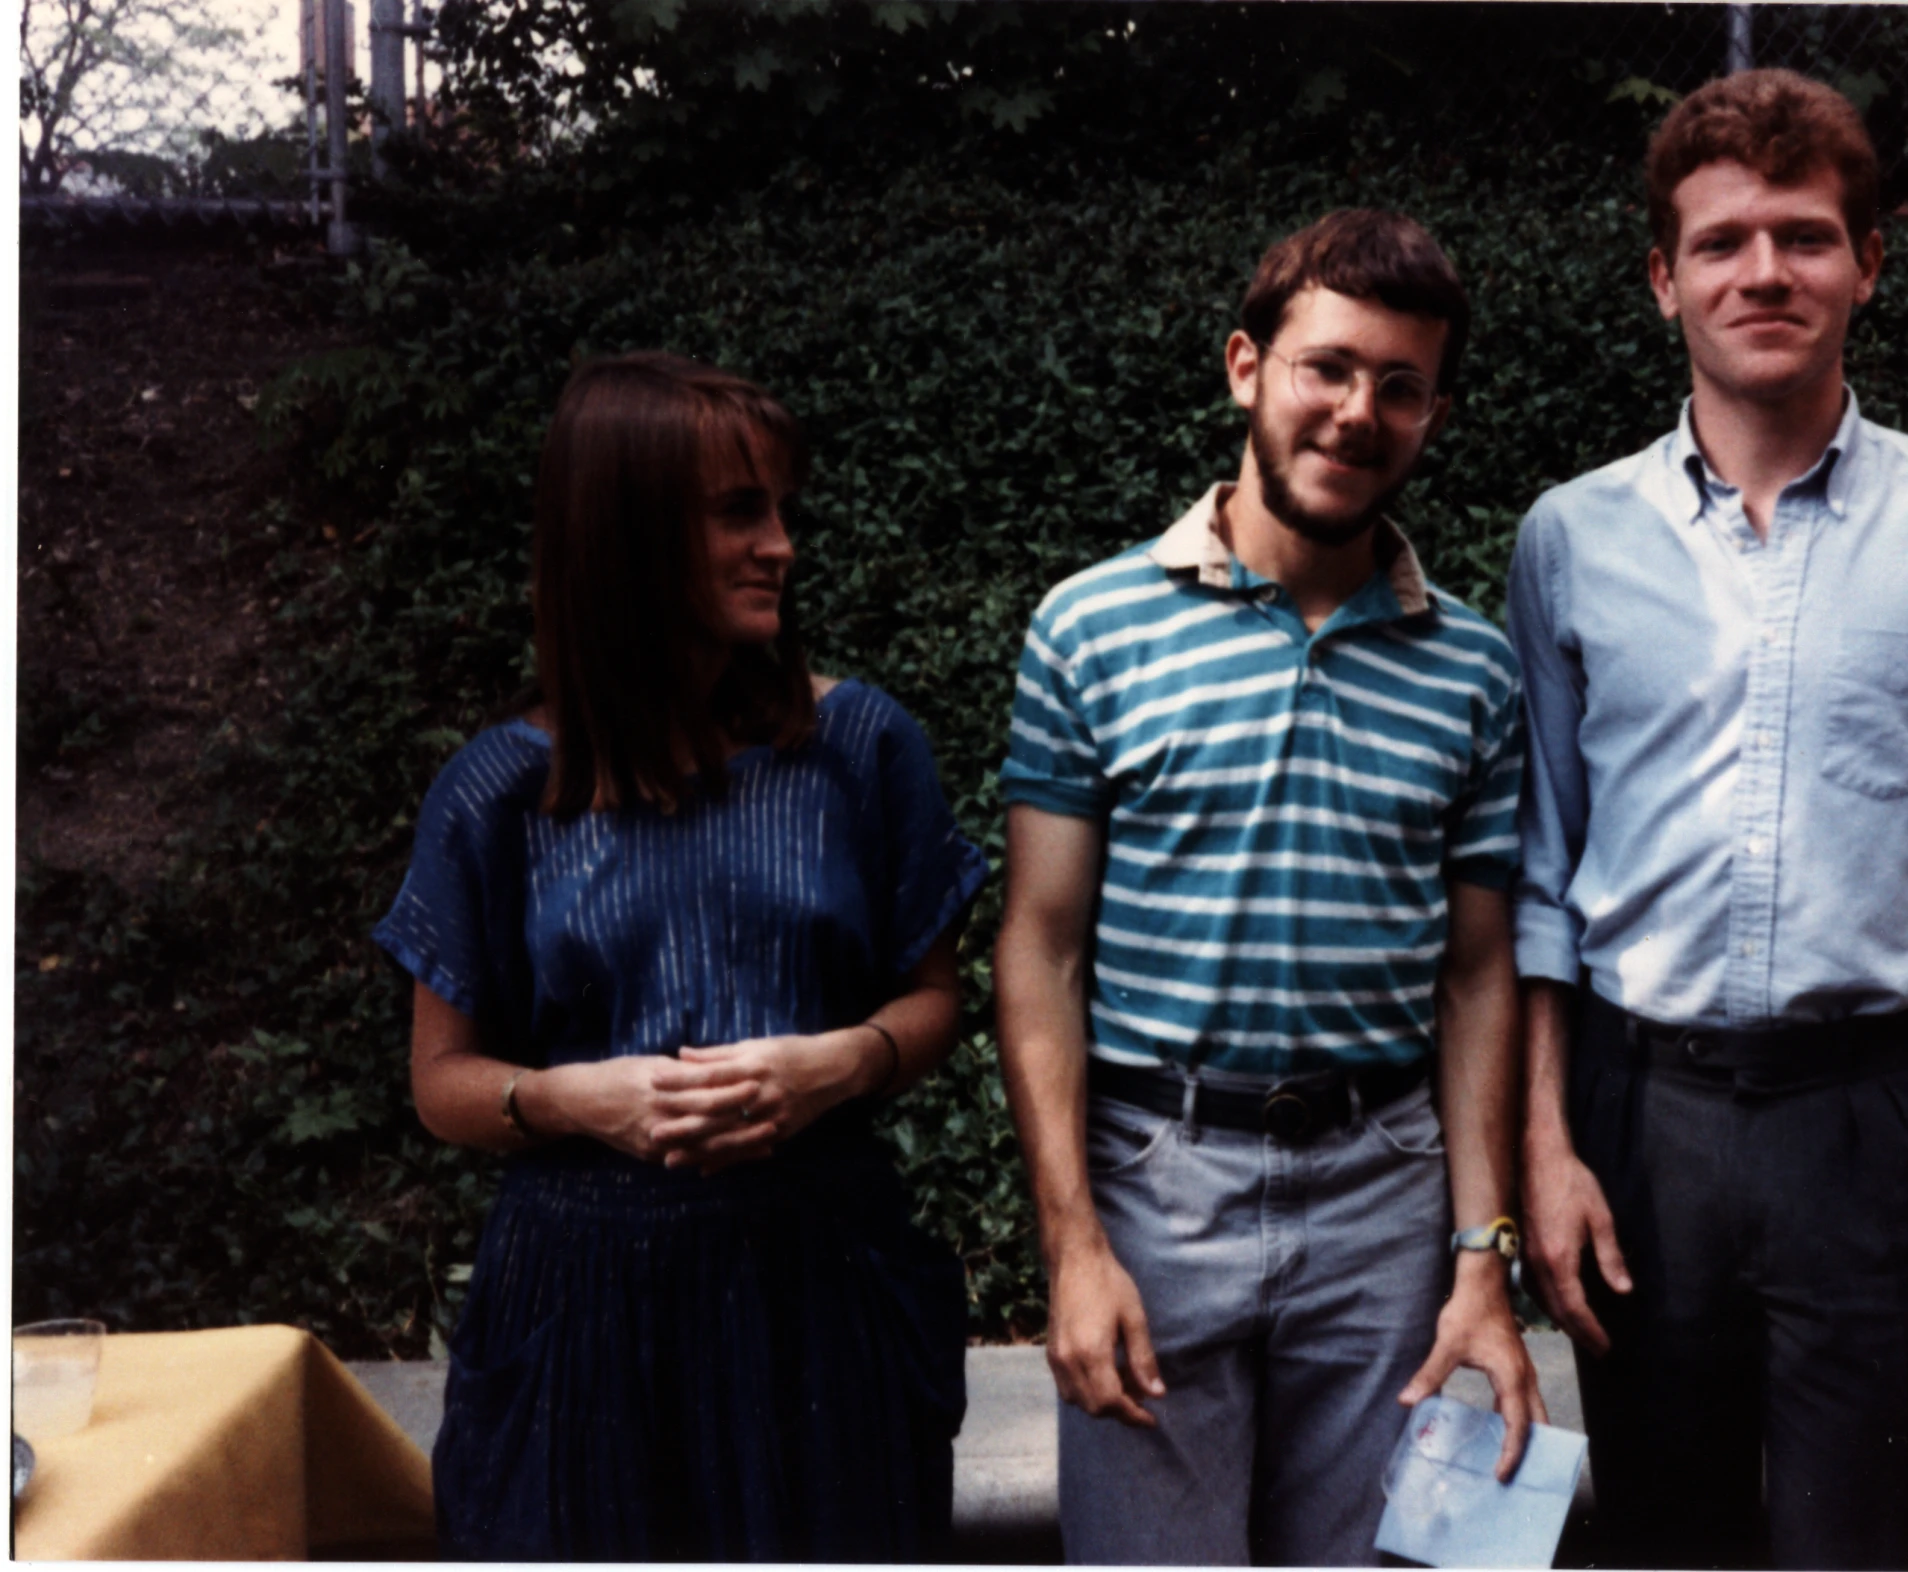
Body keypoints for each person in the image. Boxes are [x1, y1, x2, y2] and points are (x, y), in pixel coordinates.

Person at [1506, 70, 1908, 1569]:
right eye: (1719, 243)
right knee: (1664, 1543)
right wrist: (1542, 1142)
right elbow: (1533, 873)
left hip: (1867, 1122)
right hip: (1636, 1124)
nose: (1762, 272)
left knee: (1869, 1544)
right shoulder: (1569, 538)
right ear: (1662, 280)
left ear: (1867, 265)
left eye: (1803, 236)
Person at [994, 209, 1546, 1567]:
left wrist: (1482, 1258)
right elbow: (1039, 951)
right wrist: (1071, 1243)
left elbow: (1478, 974)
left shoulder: (1470, 670)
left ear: (1432, 413)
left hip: (1386, 1200)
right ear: (1247, 366)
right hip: (1154, 1186)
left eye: (1400, 387)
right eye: (1328, 368)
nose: (1360, 413)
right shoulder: (1089, 629)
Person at [373, 352, 988, 1561]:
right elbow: (439, 1085)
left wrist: (838, 1066)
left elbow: (933, 1001)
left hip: (817, 1285)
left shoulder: (857, 749)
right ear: (628, 532)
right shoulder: (501, 792)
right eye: (737, 512)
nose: (781, 547)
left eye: (780, 512)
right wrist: (563, 1099)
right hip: (579, 1315)